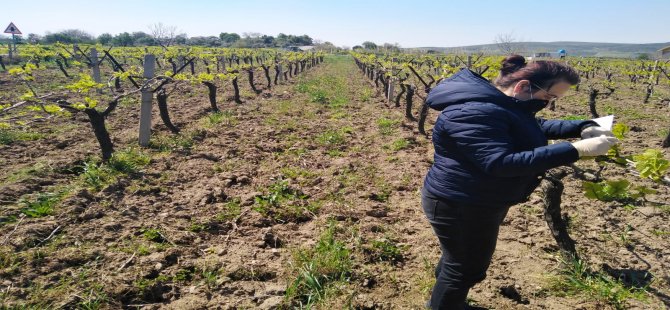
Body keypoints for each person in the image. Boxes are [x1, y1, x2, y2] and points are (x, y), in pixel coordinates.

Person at [421, 55, 618, 309]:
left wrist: (582, 126)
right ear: (524, 86)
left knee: (459, 259)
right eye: (550, 97)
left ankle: (446, 300)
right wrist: (576, 150)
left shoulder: (499, 104)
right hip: (461, 204)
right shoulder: (472, 111)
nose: (549, 104)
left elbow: (533, 126)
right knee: (465, 268)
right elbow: (501, 163)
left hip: (477, 199)